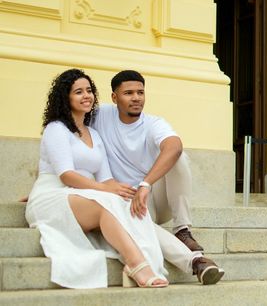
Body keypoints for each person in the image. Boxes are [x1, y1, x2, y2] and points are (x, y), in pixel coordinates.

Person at [25, 69, 168, 289]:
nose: (86, 96)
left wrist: (132, 193)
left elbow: (107, 179)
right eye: (78, 92)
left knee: (125, 204)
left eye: (89, 90)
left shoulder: (95, 134)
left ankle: (150, 261)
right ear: (66, 98)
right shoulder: (56, 129)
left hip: (82, 195)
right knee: (106, 203)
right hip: (52, 196)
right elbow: (66, 175)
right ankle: (137, 266)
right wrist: (106, 191)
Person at [92, 70, 224, 285]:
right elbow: (68, 147)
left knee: (179, 157)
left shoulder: (153, 123)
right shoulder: (99, 116)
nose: (136, 98)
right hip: (127, 201)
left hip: (154, 197)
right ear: (114, 97)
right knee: (130, 216)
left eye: (140, 92)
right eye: (128, 93)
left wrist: (146, 184)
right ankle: (197, 263)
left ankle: (182, 228)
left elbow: (174, 146)